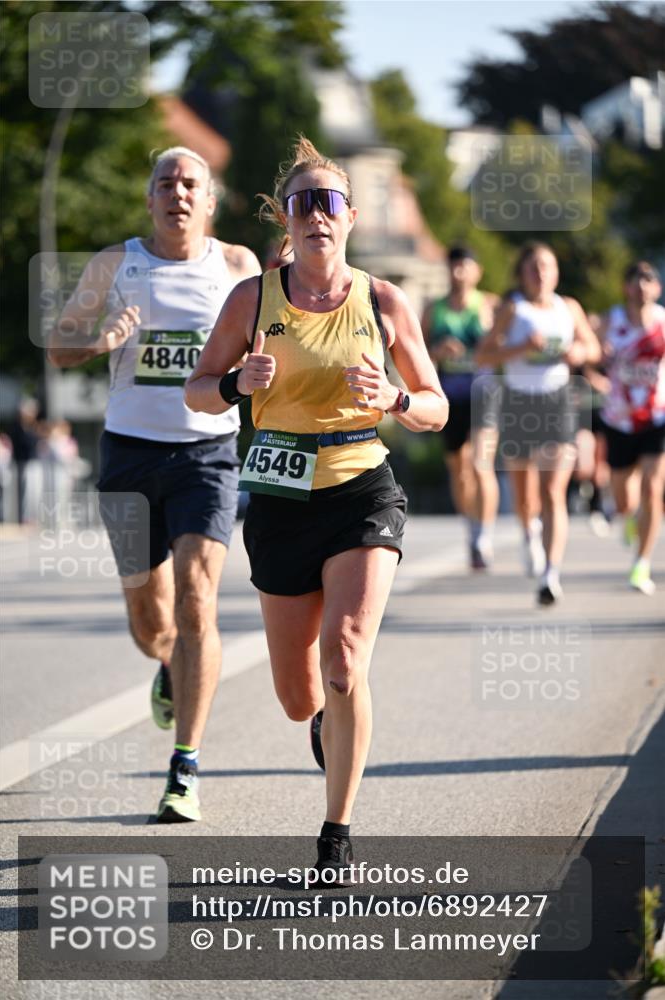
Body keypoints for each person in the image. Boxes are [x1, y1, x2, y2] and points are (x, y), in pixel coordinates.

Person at [185, 136, 448, 876]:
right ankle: (326, 728)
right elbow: (197, 389)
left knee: (343, 663)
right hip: (277, 501)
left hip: (362, 488)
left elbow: (434, 407)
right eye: (301, 204)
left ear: (350, 217)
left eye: (328, 203)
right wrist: (237, 384)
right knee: (300, 697)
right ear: (286, 221)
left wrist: (394, 398)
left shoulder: (382, 300)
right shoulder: (252, 300)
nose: (315, 216)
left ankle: (336, 834)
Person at [47, 146, 261, 822]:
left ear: (208, 199)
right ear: (149, 199)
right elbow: (57, 345)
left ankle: (185, 764)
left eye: (189, 182)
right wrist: (102, 340)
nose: (176, 191)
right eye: (164, 182)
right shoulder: (117, 264)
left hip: (207, 453)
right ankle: (167, 665)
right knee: (151, 621)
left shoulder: (236, 266)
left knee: (199, 600)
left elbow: (276, 339)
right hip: (130, 455)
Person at [476, 242, 600, 605]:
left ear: (556, 272)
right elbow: (484, 354)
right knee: (525, 495)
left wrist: (578, 352)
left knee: (552, 492)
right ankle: (529, 531)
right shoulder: (513, 308)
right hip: (518, 403)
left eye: (547, 266)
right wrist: (520, 348)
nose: (541, 273)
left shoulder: (569, 307)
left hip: (557, 402)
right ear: (522, 274)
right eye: (533, 267)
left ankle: (550, 574)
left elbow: (593, 348)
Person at [422, 246, 500, 568]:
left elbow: (505, 348)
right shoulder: (434, 309)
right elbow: (417, 354)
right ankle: (471, 526)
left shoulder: (491, 306)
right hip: (449, 395)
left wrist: (486, 347)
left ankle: (485, 534)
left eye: (465, 267)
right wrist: (437, 352)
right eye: (453, 267)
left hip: (484, 394)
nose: (458, 273)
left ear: (477, 271)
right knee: (459, 468)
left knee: (482, 463)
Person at [597, 261, 665, 595]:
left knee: (654, 489)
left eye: (648, 280)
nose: (641, 285)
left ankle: (641, 564)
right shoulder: (611, 322)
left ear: (657, 288)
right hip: (619, 420)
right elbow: (586, 357)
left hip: (656, 417)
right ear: (626, 287)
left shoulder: (664, 323)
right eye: (635, 279)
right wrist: (599, 365)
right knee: (625, 499)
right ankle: (627, 518)